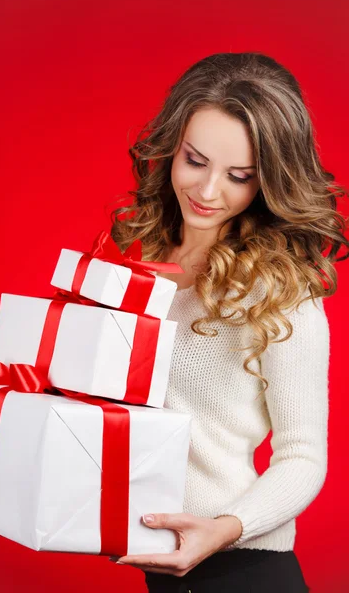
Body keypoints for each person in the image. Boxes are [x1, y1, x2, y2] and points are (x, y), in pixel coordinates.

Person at [106, 52, 349, 592]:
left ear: (269, 182)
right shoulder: (140, 267)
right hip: (161, 564)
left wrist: (220, 531)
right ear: (171, 145)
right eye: (195, 160)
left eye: (240, 176)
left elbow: (304, 458)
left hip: (241, 568)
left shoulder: (281, 292)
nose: (209, 191)